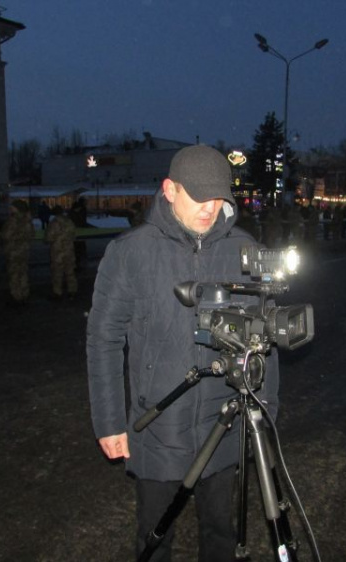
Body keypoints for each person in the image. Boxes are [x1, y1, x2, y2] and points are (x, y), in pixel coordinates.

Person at [87, 145, 280, 561]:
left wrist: (265, 413)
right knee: (155, 537)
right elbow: (103, 339)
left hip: (224, 422)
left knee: (220, 533)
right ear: (170, 189)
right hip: (158, 424)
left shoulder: (246, 251)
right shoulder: (130, 253)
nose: (210, 209)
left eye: (219, 198)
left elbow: (264, 341)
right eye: (199, 196)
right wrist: (107, 422)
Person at [0, 200, 35, 306]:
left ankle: (16, 296)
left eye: (12, 207)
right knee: (23, 273)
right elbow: (31, 235)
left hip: (13, 251)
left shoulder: (12, 220)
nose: (10, 209)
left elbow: (5, 235)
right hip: (24, 250)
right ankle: (24, 294)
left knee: (14, 275)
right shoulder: (28, 220)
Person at [44, 205, 77, 300]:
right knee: (70, 272)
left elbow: (48, 238)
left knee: (57, 273)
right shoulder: (69, 221)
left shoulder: (54, 223)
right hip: (69, 251)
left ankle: (57, 292)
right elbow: (74, 235)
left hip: (57, 252)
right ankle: (72, 291)